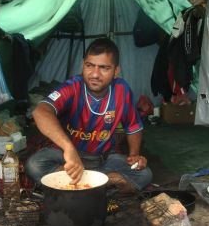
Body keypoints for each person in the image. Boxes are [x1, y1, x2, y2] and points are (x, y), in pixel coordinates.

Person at [25, 37, 153, 193]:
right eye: (90, 65)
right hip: (68, 158)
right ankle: (101, 182)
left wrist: (134, 155)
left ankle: (83, 181)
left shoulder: (122, 90)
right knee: (33, 165)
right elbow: (40, 111)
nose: (95, 74)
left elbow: (133, 126)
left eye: (104, 68)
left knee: (144, 174)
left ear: (116, 71)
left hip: (103, 159)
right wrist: (69, 148)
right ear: (83, 65)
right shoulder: (72, 87)